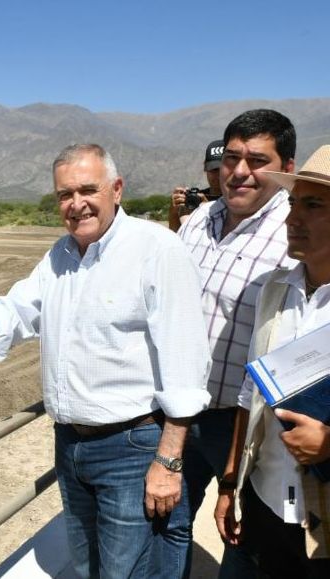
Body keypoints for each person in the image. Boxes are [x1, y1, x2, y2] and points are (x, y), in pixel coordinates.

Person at [0, 143, 211, 579]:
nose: (76, 204)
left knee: (129, 572)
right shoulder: (61, 254)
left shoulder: (157, 250)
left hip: (131, 449)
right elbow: (16, 309)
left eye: (87, 190)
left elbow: (185, 362)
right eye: (64, 195)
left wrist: (168, 462)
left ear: (116, 189)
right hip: (71, 446)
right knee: (88, 566)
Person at [177, 109, 297, 576]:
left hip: (248, 427)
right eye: (231, 158)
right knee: (164, 522)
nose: (240, 171)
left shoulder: (295, 233)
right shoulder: (199, 220)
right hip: (179, 415)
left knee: (245, 540)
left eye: (257, 160)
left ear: (287, 166)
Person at [214, 144, 330, 577]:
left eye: (313, 205)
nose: (292, 219)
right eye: (293, 203)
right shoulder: (275, 290)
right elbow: (251, 391)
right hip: (265, 499)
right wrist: (231, 482)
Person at [168, 139, 225, 232]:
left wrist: (208, 209)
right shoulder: (194, 199)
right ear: (205, 167)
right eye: (213, 170)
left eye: (222, 169)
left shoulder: (239, 202)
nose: (218, 175)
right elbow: (176, 236)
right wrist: (174, 212)